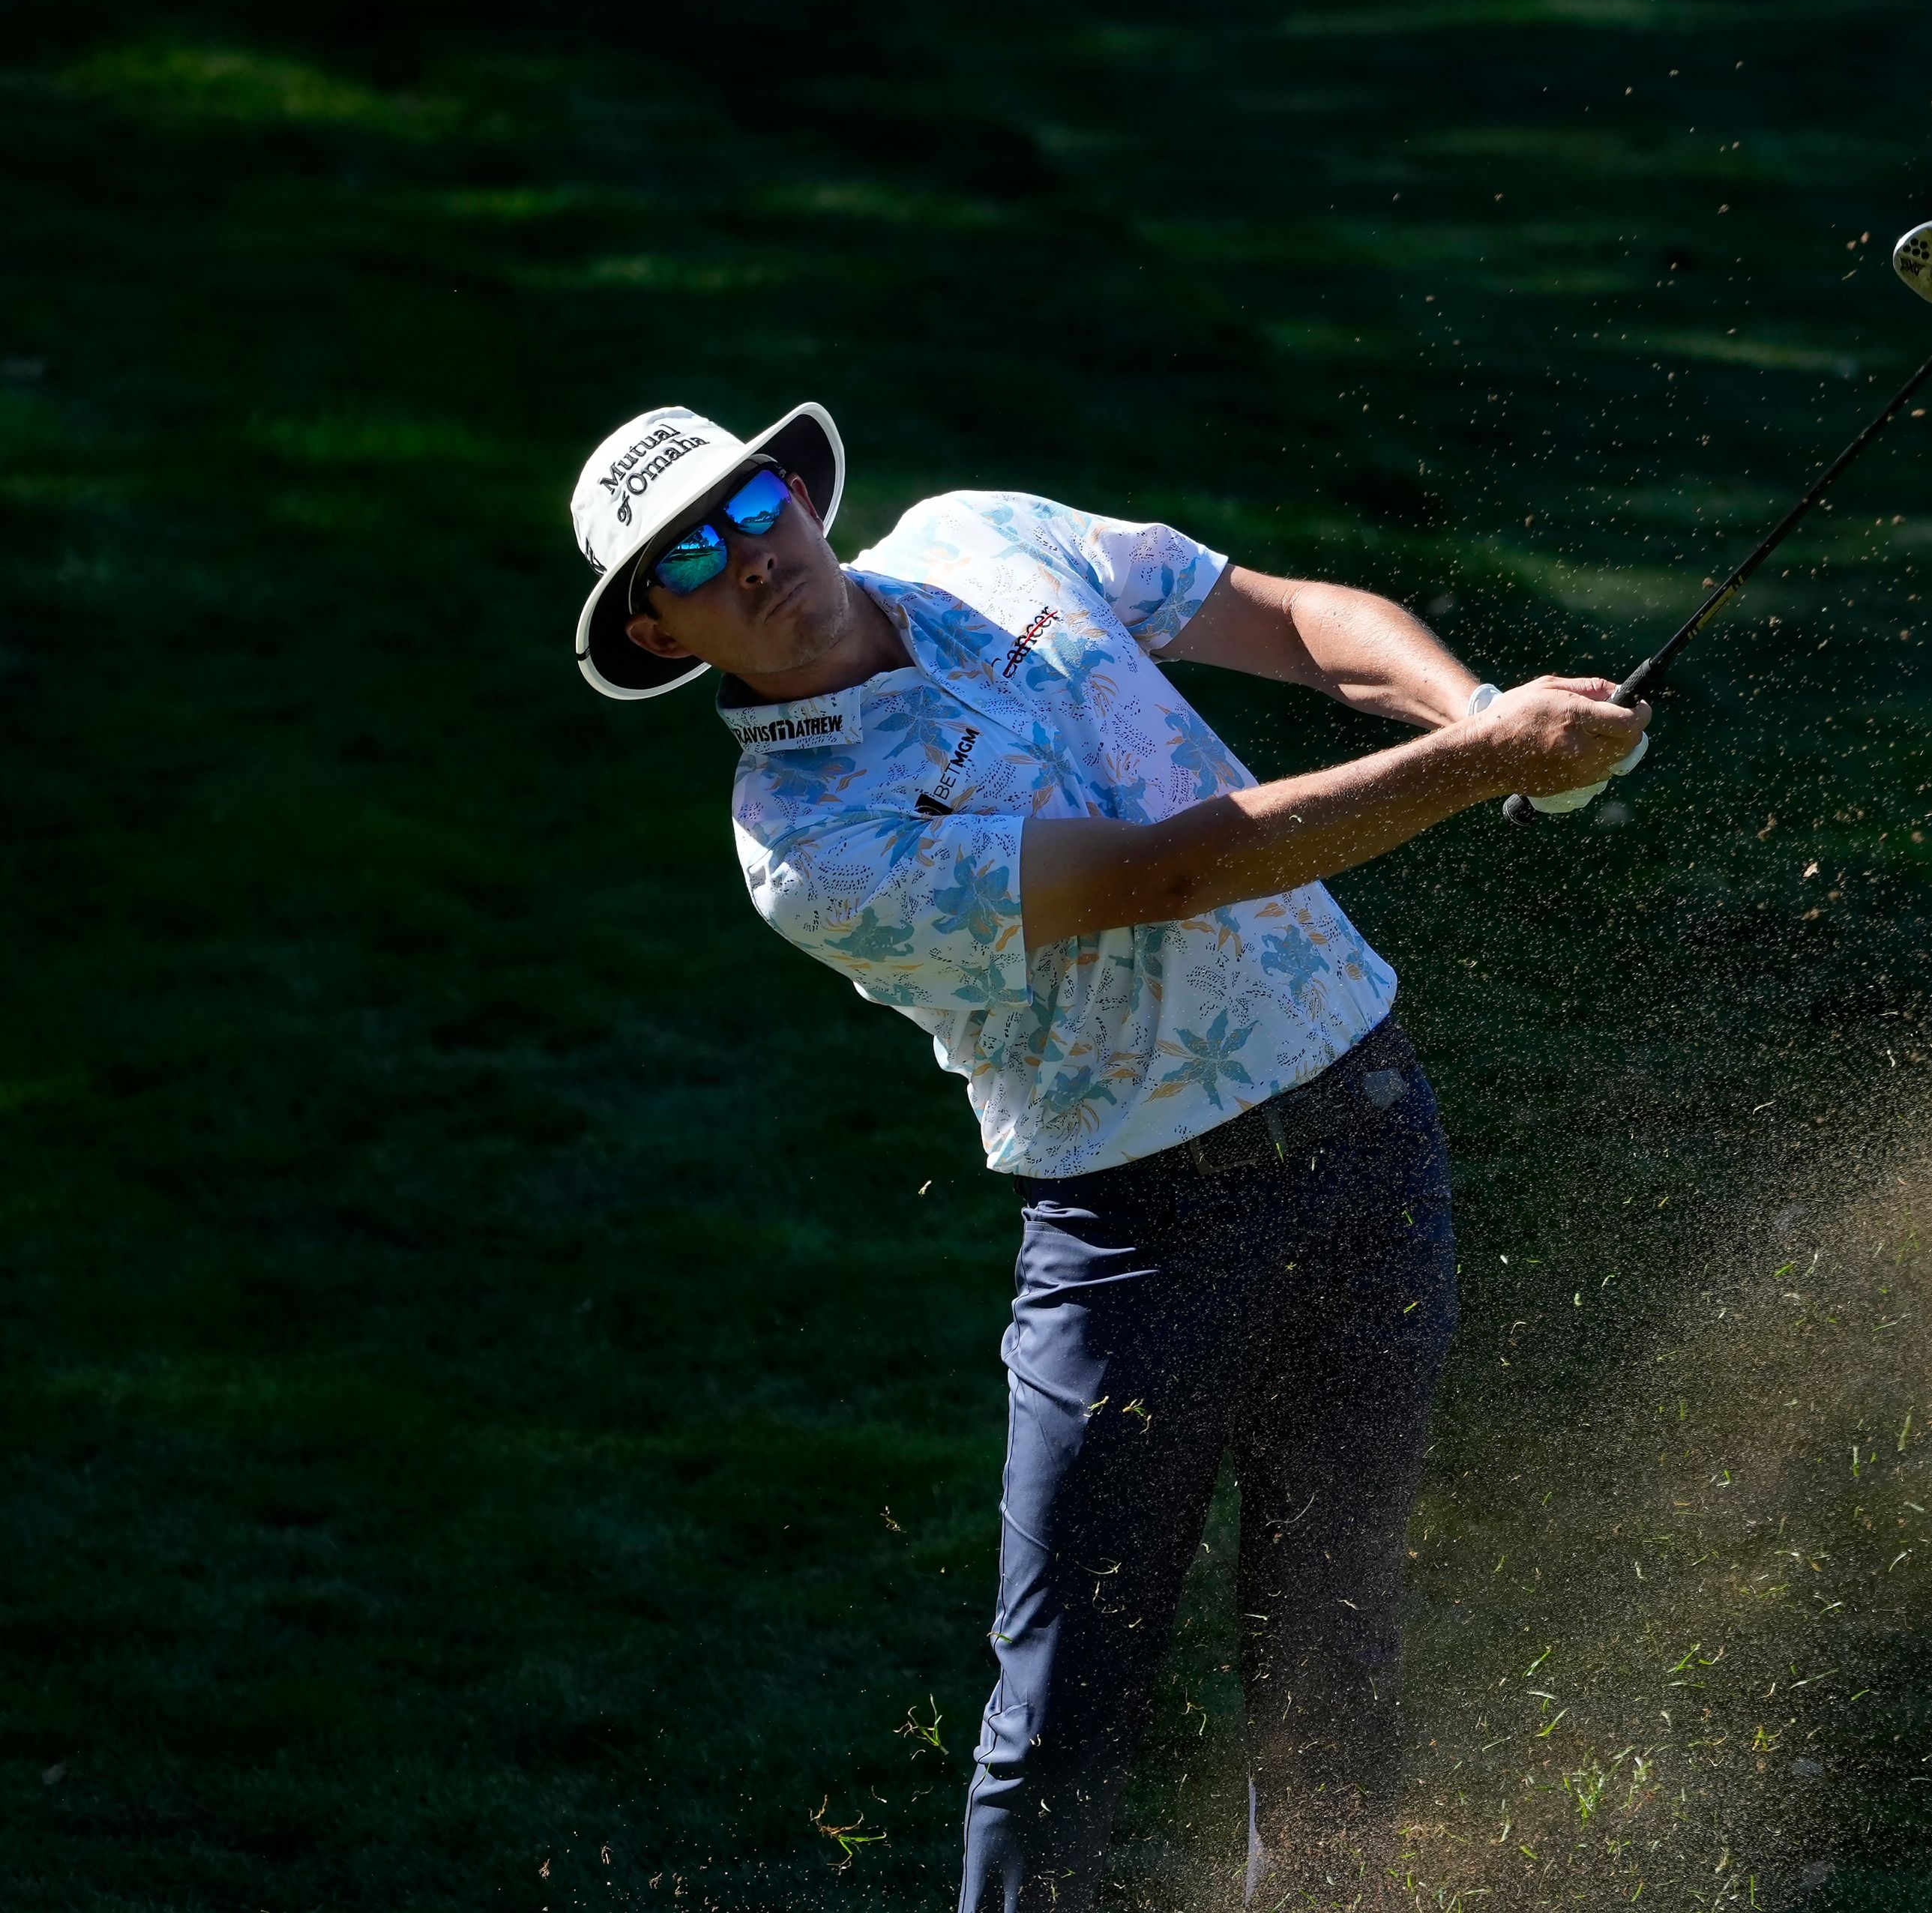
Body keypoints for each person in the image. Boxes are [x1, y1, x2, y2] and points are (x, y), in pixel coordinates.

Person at [564, 403, 1647, 1910]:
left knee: (1336, 1650)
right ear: (660, 629)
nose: (747, 558)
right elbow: (1167, 873)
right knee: (1062, 1712)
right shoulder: (807, 840)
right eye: (690, 553)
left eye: (750, 510)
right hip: (1138, 1233)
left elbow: (1284, 619)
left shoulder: (974, 533)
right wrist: (1482, 758)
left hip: (1369, 1132)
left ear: (799, 494)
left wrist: (1482, 715)